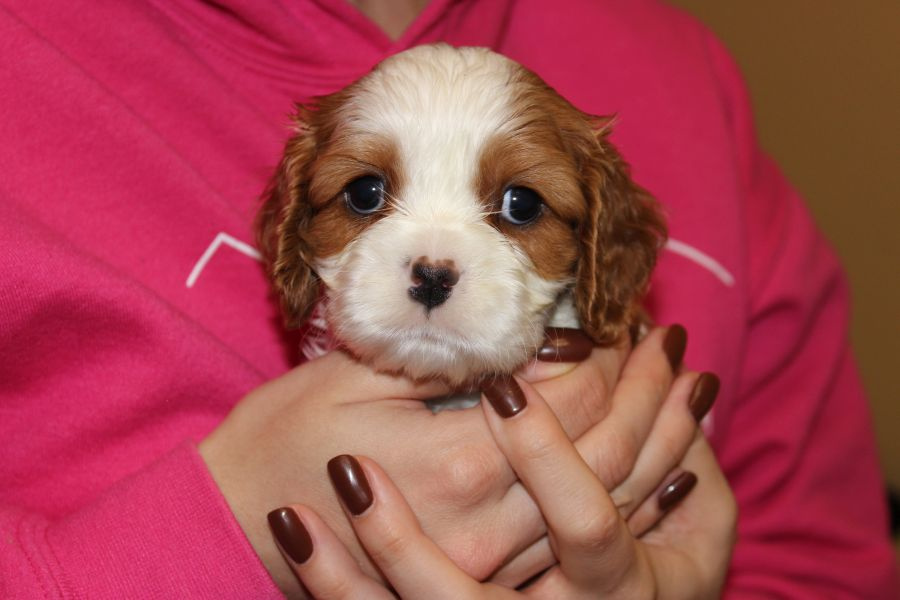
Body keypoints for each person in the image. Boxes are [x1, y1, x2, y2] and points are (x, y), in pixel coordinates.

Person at [0, 0, 895, 598]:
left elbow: (826, 564)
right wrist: (213, 539)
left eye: (518, 206)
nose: (432, 261)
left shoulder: (685, 63)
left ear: (601, 251)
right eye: (362, 196)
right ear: (287, 234)